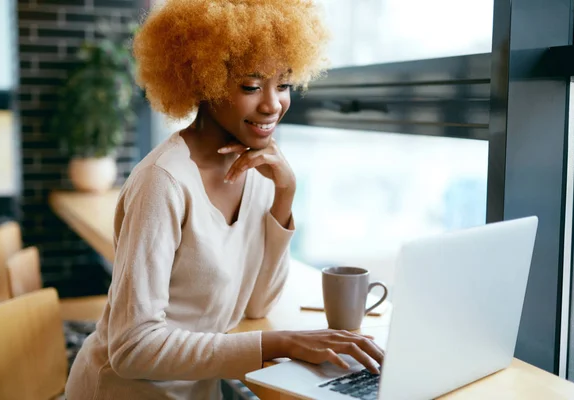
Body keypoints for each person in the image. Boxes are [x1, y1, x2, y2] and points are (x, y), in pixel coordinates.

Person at [65, 1, 384, 399]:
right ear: (203, 81)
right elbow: (132, 348)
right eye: (251, 86)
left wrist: (284, 196)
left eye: (283, 84)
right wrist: (281, 343)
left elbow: (257, 304)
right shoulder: (161, 182)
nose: (272, 105)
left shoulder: (261, 176)